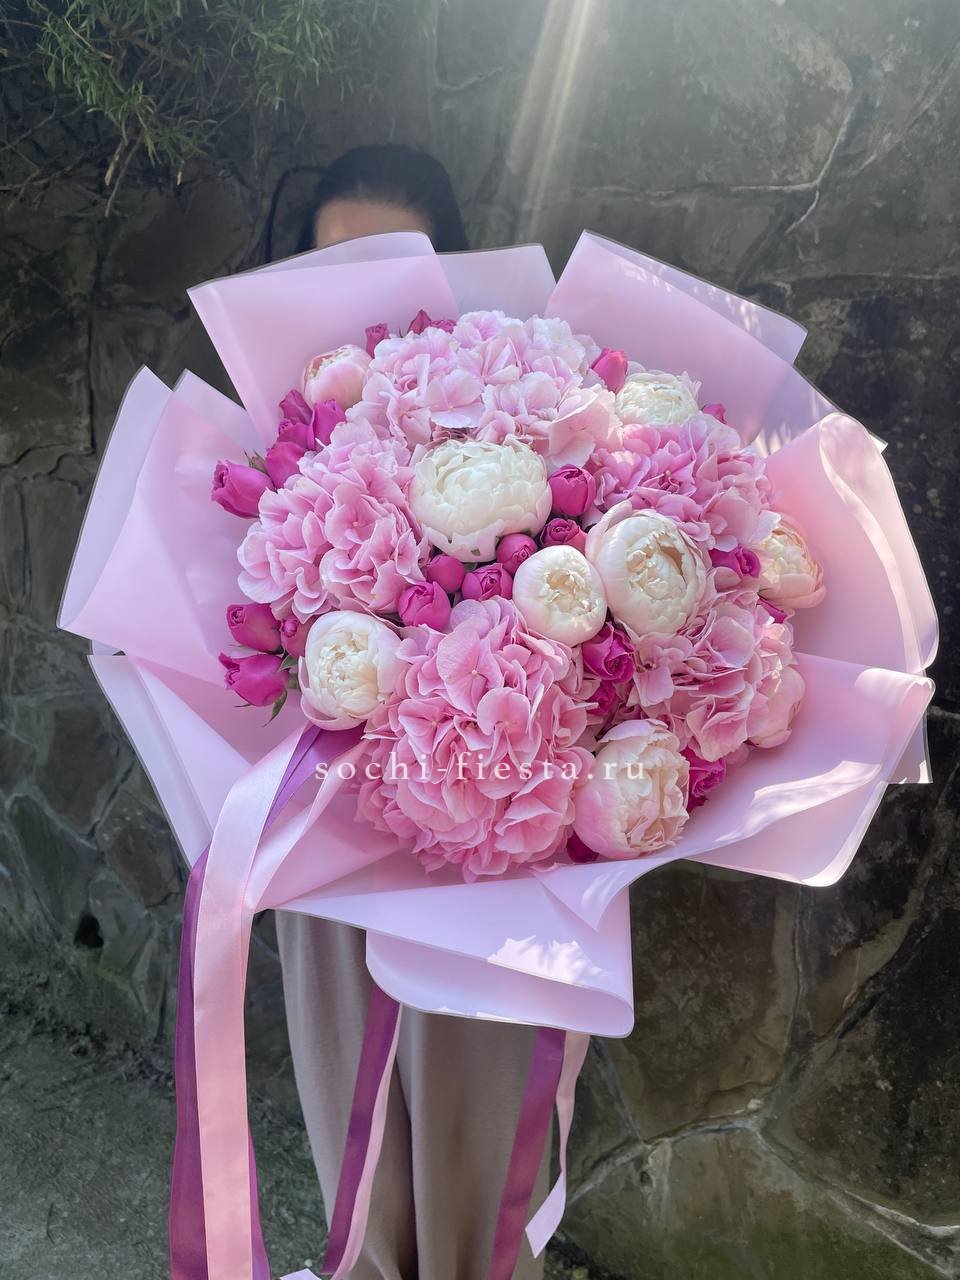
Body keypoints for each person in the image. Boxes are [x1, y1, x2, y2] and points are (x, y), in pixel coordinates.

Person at [275, 144, 549, 1280]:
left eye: (392, 264)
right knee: (349, 1116)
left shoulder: (514, 406)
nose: (358, 293)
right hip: (325, 809)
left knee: (469, 1110)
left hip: (480, 820)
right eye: (331, 263)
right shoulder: (276, 432)